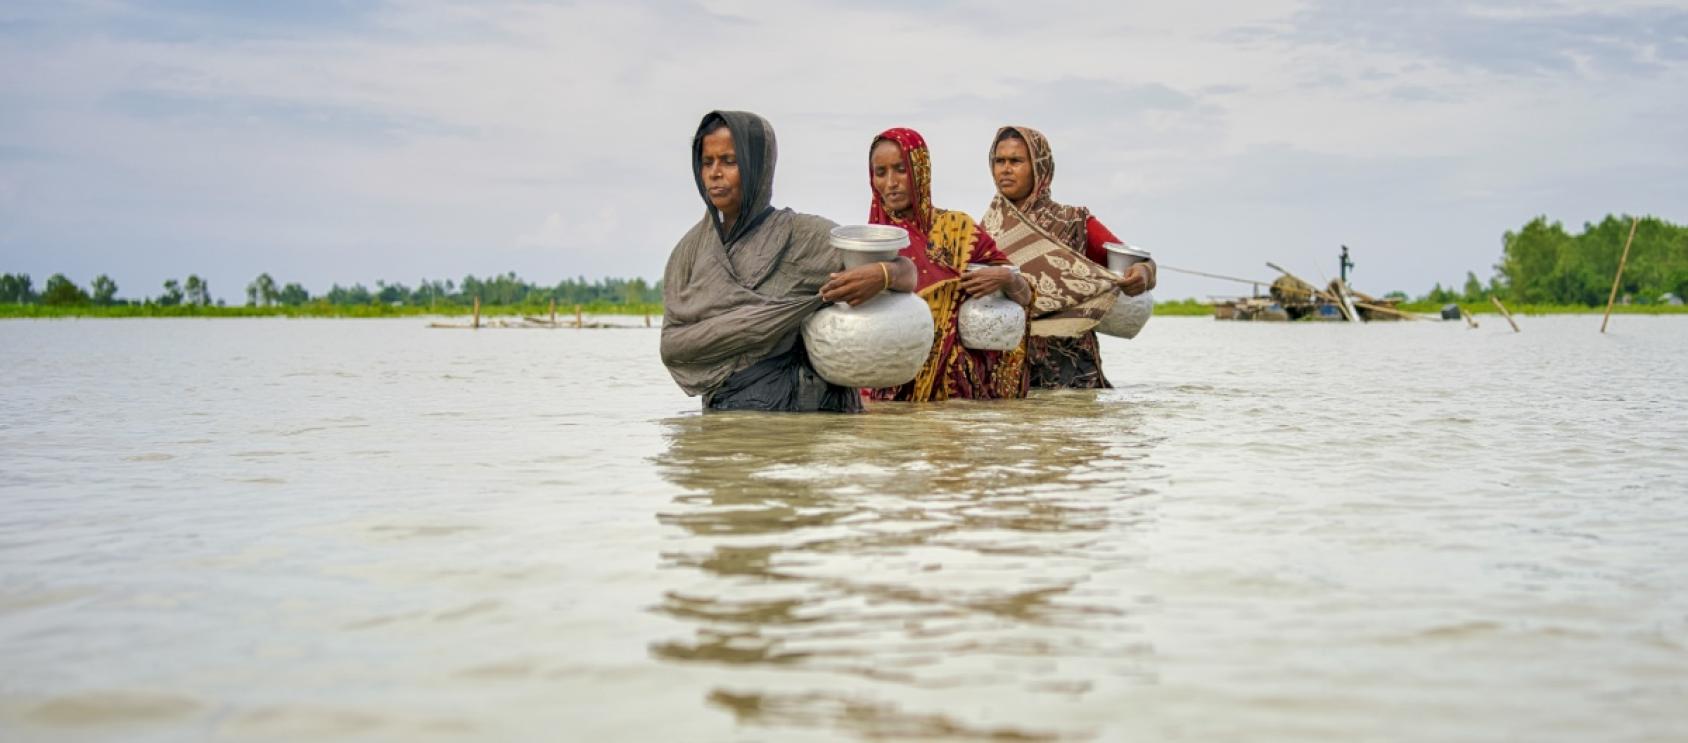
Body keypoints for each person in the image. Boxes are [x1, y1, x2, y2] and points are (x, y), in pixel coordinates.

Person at [660, 111, 917, 412]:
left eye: (729, 161)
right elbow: (672, 345)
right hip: (726, 415)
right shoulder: (689, 253)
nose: (715, 173)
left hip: (802, 419)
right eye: (708, 162)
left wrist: (884, 274)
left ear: (758, 166)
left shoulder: (801, 236)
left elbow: (906, 271)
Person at [862, 128, 1033, 402]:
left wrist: (1006, 278)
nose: (891, 182)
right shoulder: (871, 245)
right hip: (890, 395)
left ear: (920, 169)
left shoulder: (960, 229)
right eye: (880, 173)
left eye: (900, 169)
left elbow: (1025, 297)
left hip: (961, 397)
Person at [981, 126, 1157, 389]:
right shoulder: (984, 231)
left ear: (1040, 167)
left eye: (1016, 161)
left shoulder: (1074, 222)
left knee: (1072, 424)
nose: (1005, 169)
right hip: (1007, 366)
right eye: (999, 161)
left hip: (1072, 365)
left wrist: (1144, 274)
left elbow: (1137, 263)